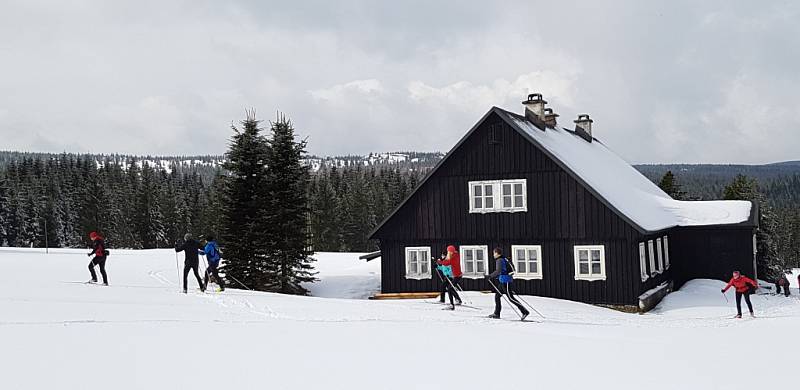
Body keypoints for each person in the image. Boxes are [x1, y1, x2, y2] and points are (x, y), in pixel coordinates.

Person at [486, 247, 529, 320]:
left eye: (494, 253)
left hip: (506, 282)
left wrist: (490, 276)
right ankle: (496, 313)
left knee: (511, 298)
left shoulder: (499, 260)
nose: (493, 255)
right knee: (497, 296)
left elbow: (498, 271)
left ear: (497, 253)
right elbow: (503, 271)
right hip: (503, 281)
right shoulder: (504, 259)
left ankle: (524, 311)